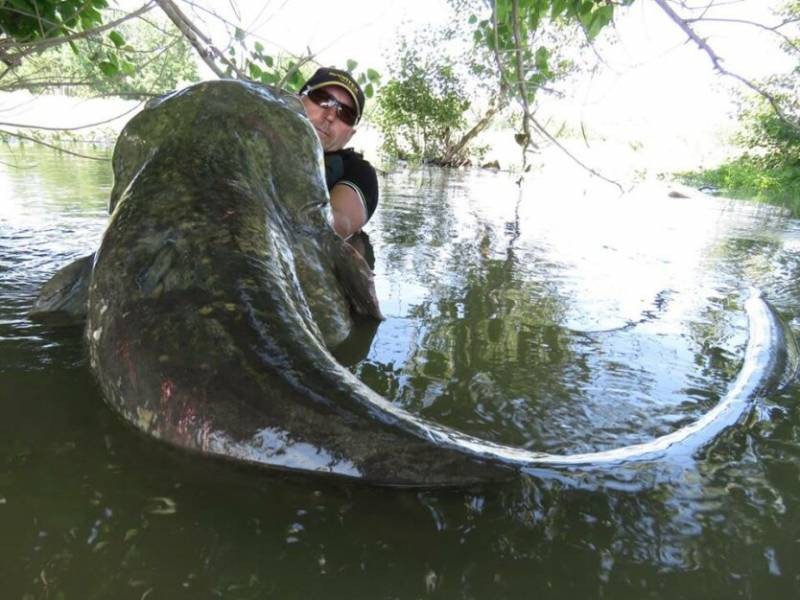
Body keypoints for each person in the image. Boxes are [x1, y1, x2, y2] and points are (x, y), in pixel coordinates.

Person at [298, 67, 379, 240]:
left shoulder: (359, 172)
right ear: (297, 100)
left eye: (346, 113)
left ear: (350, 134)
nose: (330, 116)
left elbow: (339, 224)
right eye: (323, 99)